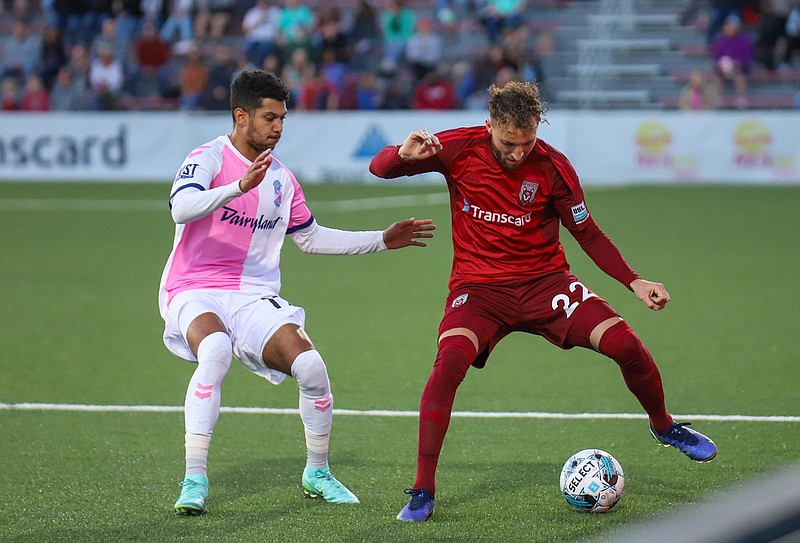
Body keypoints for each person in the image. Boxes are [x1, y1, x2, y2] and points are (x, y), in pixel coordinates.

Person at [368, 80, 718, 523]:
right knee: (446, 367)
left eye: (527, 142)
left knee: (626, 344)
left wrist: (634, 280)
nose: (518, 153)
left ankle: (664, 425)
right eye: (509, 143)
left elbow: (587, 232)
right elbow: (380, 169)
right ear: (491, 124)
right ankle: (422, 489)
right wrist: (401, 154)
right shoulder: (457, 147)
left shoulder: (553, 167)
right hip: (478, 292)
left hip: (547, 285)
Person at [158, 69, 435, 515]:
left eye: (282, 118)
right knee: (214, 351)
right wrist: (237, 187)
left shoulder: (283, 180)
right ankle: (194, 479)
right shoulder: (208, 158)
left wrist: (382, 239)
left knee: (310, 366)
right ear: (240, 115)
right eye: (269, 118)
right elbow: (180, 208)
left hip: (252, 295)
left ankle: (317, 472)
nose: (278, 128)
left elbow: (310, 238)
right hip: (195, 288)